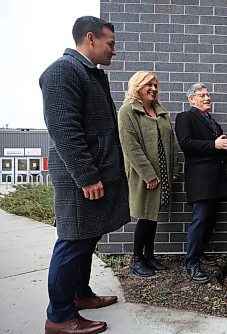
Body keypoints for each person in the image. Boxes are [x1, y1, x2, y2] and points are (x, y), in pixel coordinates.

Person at [39, 16, 130, 334]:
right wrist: (87, 176)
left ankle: (80, 295)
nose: (114, 51)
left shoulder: (88, 73)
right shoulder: (62, 71)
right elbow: (65, 131)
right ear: (90, 38)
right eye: (111, 43)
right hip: (80, 179)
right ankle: (60, 317)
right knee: (72, 242)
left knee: (86, 239)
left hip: (93, 174)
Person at [118, 71, 179, 277]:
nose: (153, 88)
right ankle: (136, 259)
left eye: (155, 85)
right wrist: (148, 175)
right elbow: (130, 147)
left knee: (153, 216)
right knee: (145, 215)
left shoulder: (160, 112)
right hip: (144, 174)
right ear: (137, 86)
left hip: (162, 171)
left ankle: (149, 256)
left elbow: (171, 143)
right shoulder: (128, 111)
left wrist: (173, 170)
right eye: (148, 85)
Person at [174, 83, 227, 284]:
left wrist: (225, 147)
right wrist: (214, 144)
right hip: (200, 180)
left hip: (216, 179)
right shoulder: (185, 117)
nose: (207, 98)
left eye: (208, 95)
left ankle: (200, 254)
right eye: (202, 95)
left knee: (210, 220)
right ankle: (191, 264)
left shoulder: (212, 121)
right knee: (199, 220)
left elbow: (215, 145)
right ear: (191, 99)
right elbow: (186, 144)